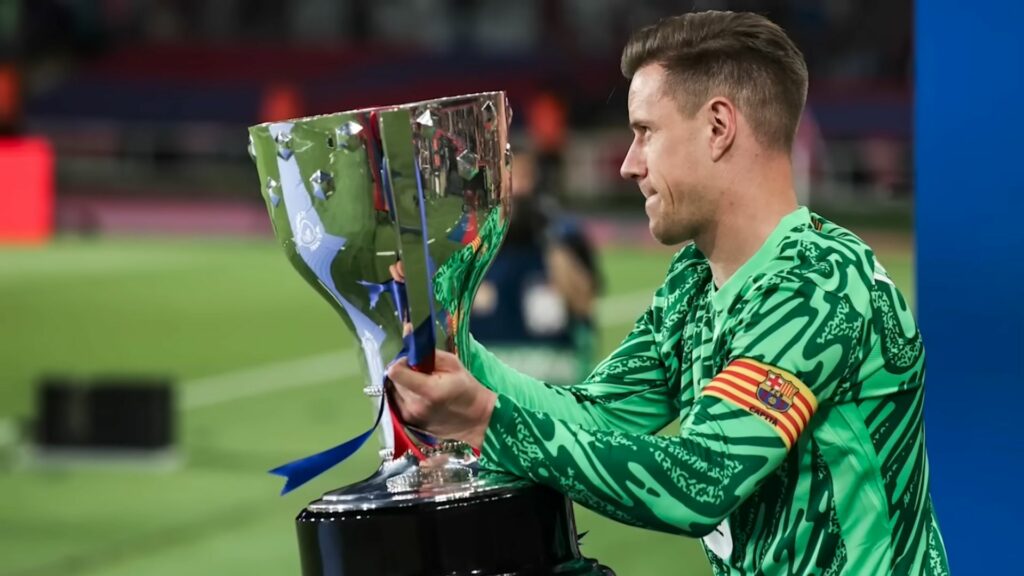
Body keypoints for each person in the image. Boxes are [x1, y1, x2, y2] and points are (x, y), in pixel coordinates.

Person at [388, 11, 949, 575]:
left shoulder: (820, 283)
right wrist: (453, 348)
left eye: (645, 132)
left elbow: (700, 482)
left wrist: (485, 420)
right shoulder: (692, 281)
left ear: (717, 127)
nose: (630, 165)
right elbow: (596, 417)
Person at [469, 143, 601, 386]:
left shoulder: (563, 234)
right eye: (510, 177)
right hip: (489, 367)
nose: (517, 187)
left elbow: (584, 302)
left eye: (524, 176)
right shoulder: (472, 239)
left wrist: (552, 242)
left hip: (553, 368)